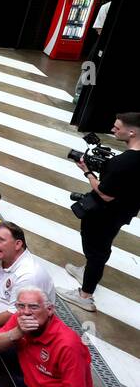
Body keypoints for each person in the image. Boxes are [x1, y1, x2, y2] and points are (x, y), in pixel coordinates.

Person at [62, 111, 140, 312]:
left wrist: (86, 171)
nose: (113, 129)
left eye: (117, 127)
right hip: (124, 212)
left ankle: (85, 295)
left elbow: (105, 194)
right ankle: (87, 271)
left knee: (96, 251)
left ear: (131, 132)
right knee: (100, 247)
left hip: (104, 214)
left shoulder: (123, 163)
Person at [0, 222, 57, 331]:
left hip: (6, 324)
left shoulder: (28, 275)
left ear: (17, 244)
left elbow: (13, 314)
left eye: (0, 239)